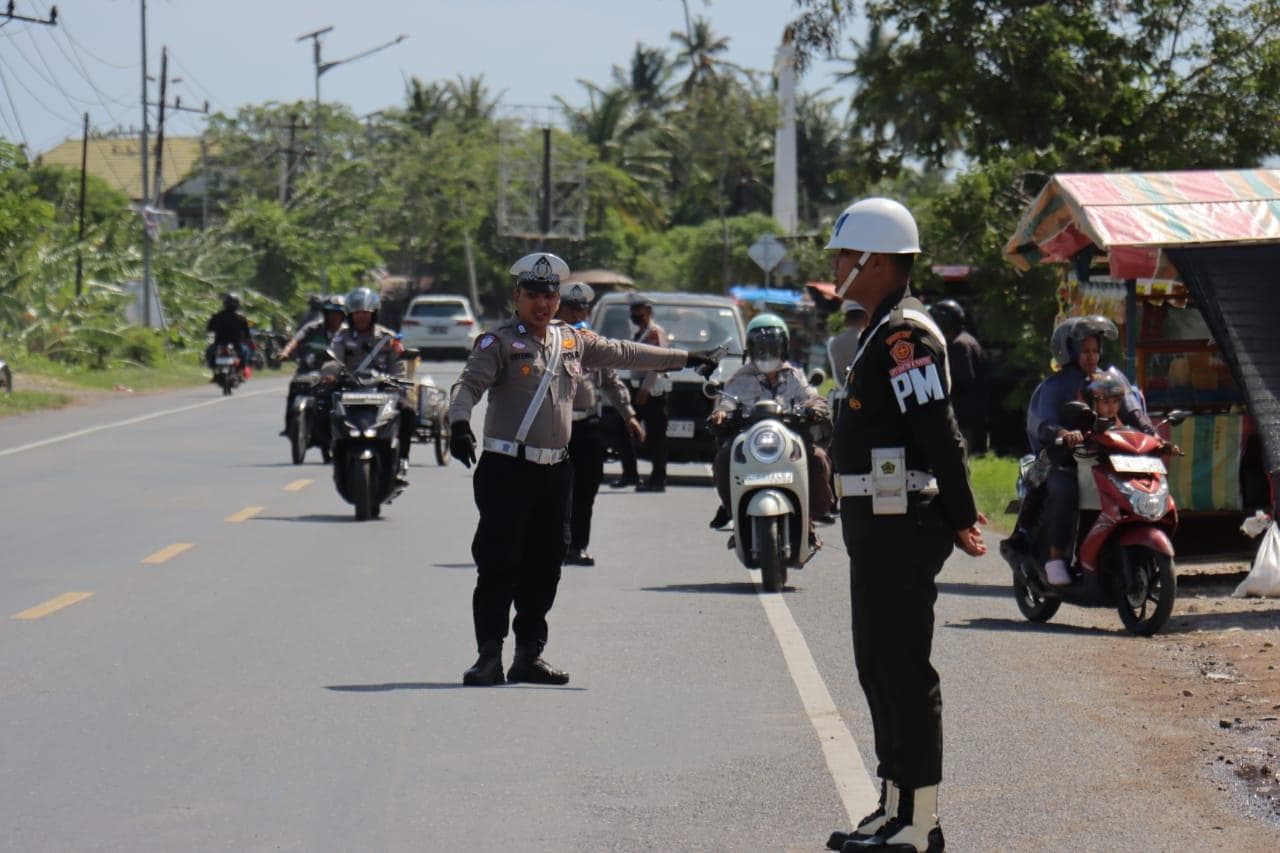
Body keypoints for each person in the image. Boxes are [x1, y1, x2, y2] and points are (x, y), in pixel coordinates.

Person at [448, 253, 721, 687]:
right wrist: (459, 422)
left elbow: (626, 352)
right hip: (506, 469)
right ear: (516, 296)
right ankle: (488, 656)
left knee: (546, 565)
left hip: (555, 471)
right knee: (499, 564)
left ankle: (528, 655)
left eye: (549, 296)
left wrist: (687, 358)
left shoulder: (572, 341)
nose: (542, 304)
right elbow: (468, 385)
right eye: (533, 295)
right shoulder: (497, 342)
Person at [824, 197, 986, 853]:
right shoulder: (877, 331)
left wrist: (963, 512)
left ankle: (919, 821)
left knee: (902, 668)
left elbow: (937, 430)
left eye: (844, 253)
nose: (836, 265)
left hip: (901, 521)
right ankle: (894, 806)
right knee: (877, 665)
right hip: (876, 522)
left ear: (876, 260)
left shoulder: (905, 335)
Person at [1015, 317, 1154, 586]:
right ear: (1069, 351)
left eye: (1095, 350)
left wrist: (1150, 431)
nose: (1091, 356)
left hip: (1107, 457)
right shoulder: (1055, 386)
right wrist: (1063, 434)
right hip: (1065, 460)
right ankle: (1056, 558)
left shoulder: (1110, 379)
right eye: (1085, 351)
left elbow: (1132, 409)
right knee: (1065, 489)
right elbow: (1044, 422)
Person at [708, 313, 833, 547]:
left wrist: (815, 408)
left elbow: (811, 397)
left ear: (783, 347)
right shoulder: (740, 377)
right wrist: (721, 413)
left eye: (772, 347)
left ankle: (809, 519)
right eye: (761, 348)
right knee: (724, 458)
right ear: (751, 349)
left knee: (817, 457)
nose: (767, 353)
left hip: (790, 439)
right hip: (750, 441)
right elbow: (727, 402)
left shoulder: (795, 374)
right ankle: (736, 516)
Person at [556, 281, 644, 566]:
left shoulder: (592, 343)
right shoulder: (546, 341)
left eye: (581, 309)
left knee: (587, 489)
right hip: (554, 429)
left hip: (587, 425)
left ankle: (577, 546)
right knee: (556, 491)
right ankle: (553, 545)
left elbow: (611, 382)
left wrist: (629, 415)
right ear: (558, 309)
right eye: (571, 308)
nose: (577, 314)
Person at [329, 286, 415, 486]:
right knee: (325, 411)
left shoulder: (388, 338)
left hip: (384, 391)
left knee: (408, 412)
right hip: (350, 392)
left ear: (374, 313)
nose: (361, 317)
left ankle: (402, 461)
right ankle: (337, 456)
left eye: (365, 313)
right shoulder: (341, 337)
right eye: (357, 313)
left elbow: (398, 365)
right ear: (350, 315)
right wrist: (329, 375)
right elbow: (333, 361)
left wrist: (397, 382)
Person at [624, 293, 673, 492]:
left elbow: (658, 363)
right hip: (639, 387)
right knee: (628, 429)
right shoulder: (641, 332)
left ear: (648, 311)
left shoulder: (654, 333)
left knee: (656, 436)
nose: (635, 314)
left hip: (652, 391)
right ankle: (631, 475)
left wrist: (645, 389)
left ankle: (658, 479)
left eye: (639, 310)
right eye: (633, 310)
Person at [278, 293, 346, 435]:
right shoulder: (313, 328)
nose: (334, 317)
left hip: (335, 375)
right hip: (309, 370)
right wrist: (285, 352)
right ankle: (289, 426)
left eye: (337, 313)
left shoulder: (347, 333)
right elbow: (296, 339)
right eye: (331, 313)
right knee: (294, 387)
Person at [929, 299, 986, 454]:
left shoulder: (959, 344)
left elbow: (963, 380)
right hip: (970, 413)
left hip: (963, 415)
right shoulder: (966, 339)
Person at [205, 292, 252, 375]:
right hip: (234, 343)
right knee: (245, 351)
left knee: (209, 351)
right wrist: (247, 338)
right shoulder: (241, 317)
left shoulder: (217, 315)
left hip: (220, 342)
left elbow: (209, 329)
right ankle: (240, 369)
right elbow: (246, 332)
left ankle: (214, 367)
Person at [827, 300, 868, 383]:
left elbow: (837, 377)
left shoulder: (833, 342)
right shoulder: (869, 340)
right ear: (865, 316)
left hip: (844, 389)